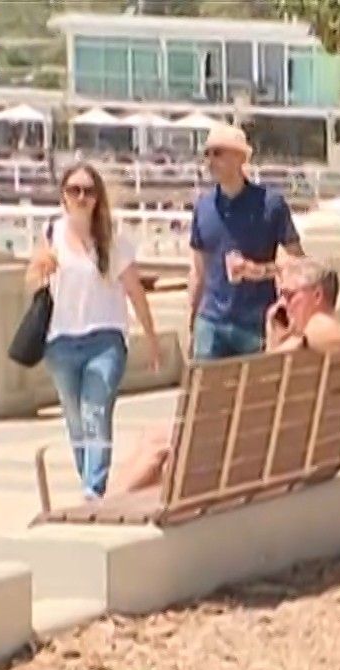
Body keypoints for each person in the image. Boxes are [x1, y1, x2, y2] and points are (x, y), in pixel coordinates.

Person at [24, 162, 162, 499]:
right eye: (74, 190)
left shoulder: (113, 241)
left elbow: (135, 292)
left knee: (95, 411)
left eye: (88, 191)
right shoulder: (51, 233)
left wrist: (152, 340)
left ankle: (93, 488)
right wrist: (41, 269)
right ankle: (89, 477)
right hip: (61, 342)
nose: (81, 197)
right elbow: (31, 281)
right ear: (63, 197)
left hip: (106, 340)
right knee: (75, 420)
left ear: (97, 197)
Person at [187, 124, 304, 361]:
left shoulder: (271, 205)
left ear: (240, 157)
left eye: (218, 153)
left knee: (256, 385)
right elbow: (198, 271)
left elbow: (298, 264)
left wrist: (258, 270)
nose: (210, 161)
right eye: (207, 154)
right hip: (210, 323)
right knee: (204, 384)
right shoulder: (203, 207)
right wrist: (192, 320)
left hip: (255, 324)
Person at [264, 258, 340, 354]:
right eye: (281, 295)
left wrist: (295, 342)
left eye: (289, 295)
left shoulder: (326, 324)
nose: (282, 303)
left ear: (317, 295)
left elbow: (327, 331)